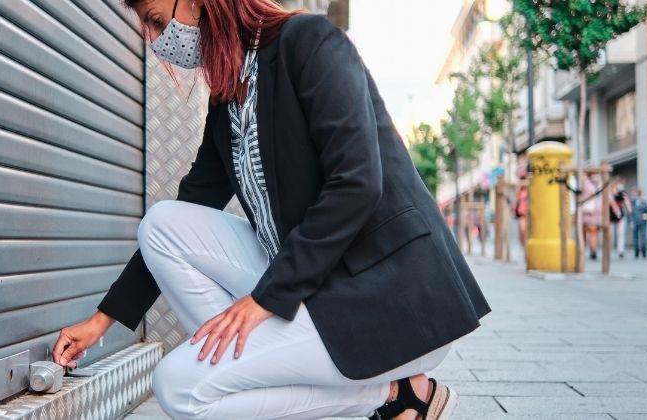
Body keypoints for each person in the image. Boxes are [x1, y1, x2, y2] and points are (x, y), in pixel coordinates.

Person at [50, 1, 491, 419]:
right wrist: (102, 320)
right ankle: (268, 381)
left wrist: (265, 299)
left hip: (389, 301)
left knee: (179, 387)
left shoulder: (310, 41)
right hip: (317, 287)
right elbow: (191, 206)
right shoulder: (229, 98)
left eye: (159, 21)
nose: (158, 40)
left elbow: (356, 184)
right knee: (163, 225)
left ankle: (399, 395)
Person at [580, 174, 603, 260]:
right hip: (594, 211)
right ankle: (592, 250)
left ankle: (591, 250)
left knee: (591, 232)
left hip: (591, 211)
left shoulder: (587, 184)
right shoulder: (599, 184)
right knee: (592, 233)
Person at [608, 179, 631, 258]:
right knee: (609, 234)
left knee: (621, 234)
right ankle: (608, 249)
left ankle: (621, 250)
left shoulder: (622, 193)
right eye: (618, 184)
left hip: (620, 215)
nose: (619, 186)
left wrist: (629, 210)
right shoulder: (609, 194)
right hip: (610, 216)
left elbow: (627, 203)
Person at [629, 187, 647, 258]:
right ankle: (636, 252)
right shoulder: (631, 203)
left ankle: (643, 251)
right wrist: (630, 221)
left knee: (643, 236)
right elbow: (629, 213)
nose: (633, 194)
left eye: (635, 193)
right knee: (635, 237)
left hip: (642, 222)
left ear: (638, 193)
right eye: (633, 193)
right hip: (634, 222)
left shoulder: (643, 202)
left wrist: (646, 217)